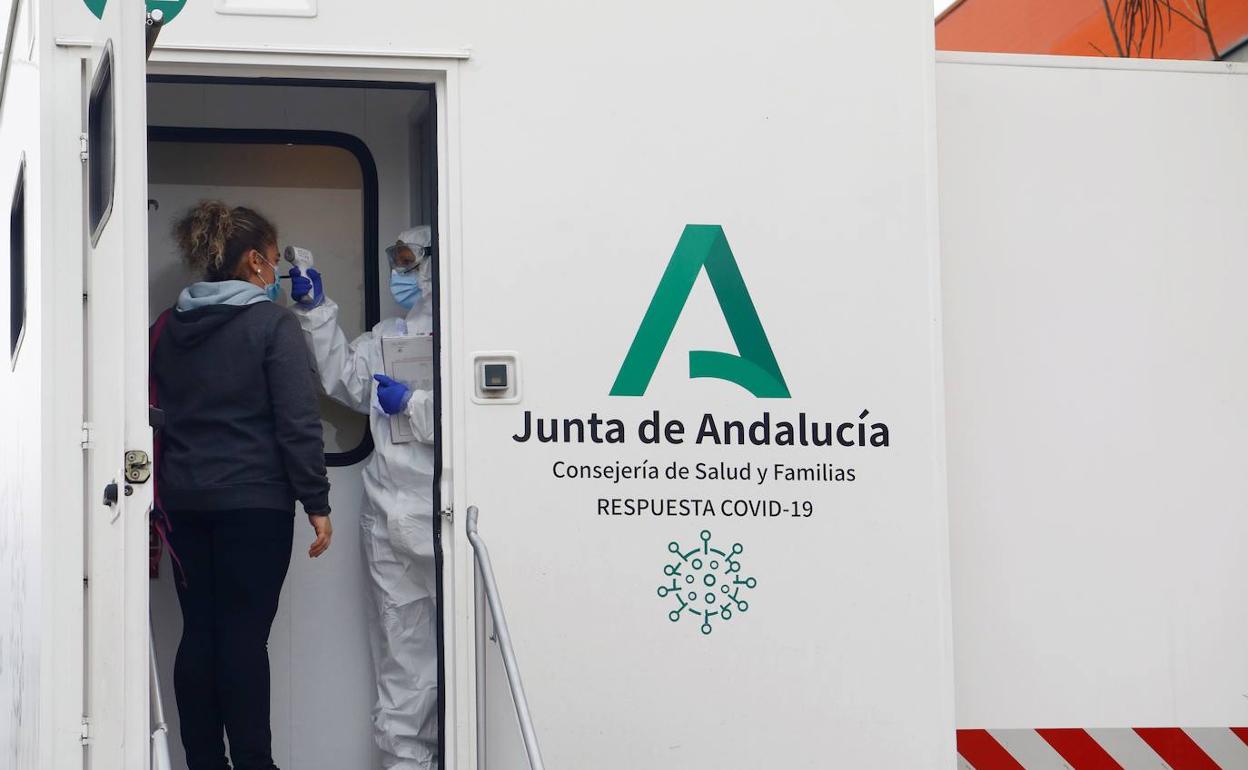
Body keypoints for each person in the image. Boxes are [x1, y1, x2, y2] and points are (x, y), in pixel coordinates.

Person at [152, 201, 333, 770]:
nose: (276, 271)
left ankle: (204, 763)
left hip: (183, 502)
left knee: (199, 634)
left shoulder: (167, 326)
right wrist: (316, 500)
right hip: (254, 505)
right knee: (243, 639)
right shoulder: (272, 324)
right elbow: (297, 421)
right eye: (274, 259)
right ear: (255, 261)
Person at [288, 226, 438, 770]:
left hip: (441, 515)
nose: (398, 271)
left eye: (407, 259)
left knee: (468, 649)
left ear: (435, 263)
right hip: (388, 519)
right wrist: (315, 310)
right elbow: (343, 379)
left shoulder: (467, 335)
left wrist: (416, 406)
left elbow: (482, 418)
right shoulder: (385, 338)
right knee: (402, 661)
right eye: (394, 258)